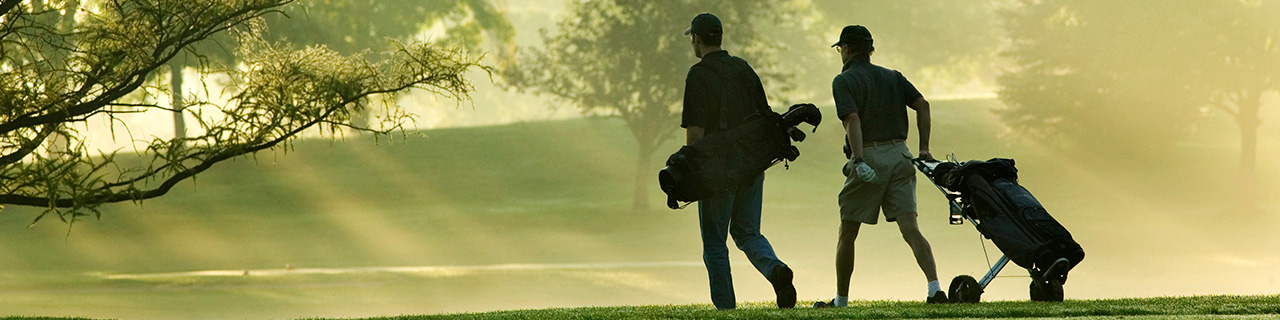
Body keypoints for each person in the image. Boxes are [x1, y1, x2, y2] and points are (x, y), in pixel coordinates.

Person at [815, 25, 947, 308]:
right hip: (902, 156)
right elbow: (922, 105)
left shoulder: (844, 80)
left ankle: (841, 301)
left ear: (847, 49)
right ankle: (935, 289)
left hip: (870, 157)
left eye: (840, 48)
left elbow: (852, 120)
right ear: (870, 50)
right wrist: (924, 148)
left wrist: (859, 160)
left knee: (848, 231)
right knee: (910, 228)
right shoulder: (893, 77)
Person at [680, 12, 796, 310]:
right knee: (747, 231)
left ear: (696, 38)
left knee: (715, 244)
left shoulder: (698, 75)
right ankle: (776, 270)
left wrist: (691, 173)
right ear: (719, 37)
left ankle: (726, 310)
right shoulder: (743, 68)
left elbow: (695, 134)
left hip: (718, 171)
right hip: (752, 164)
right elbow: (765, 118)